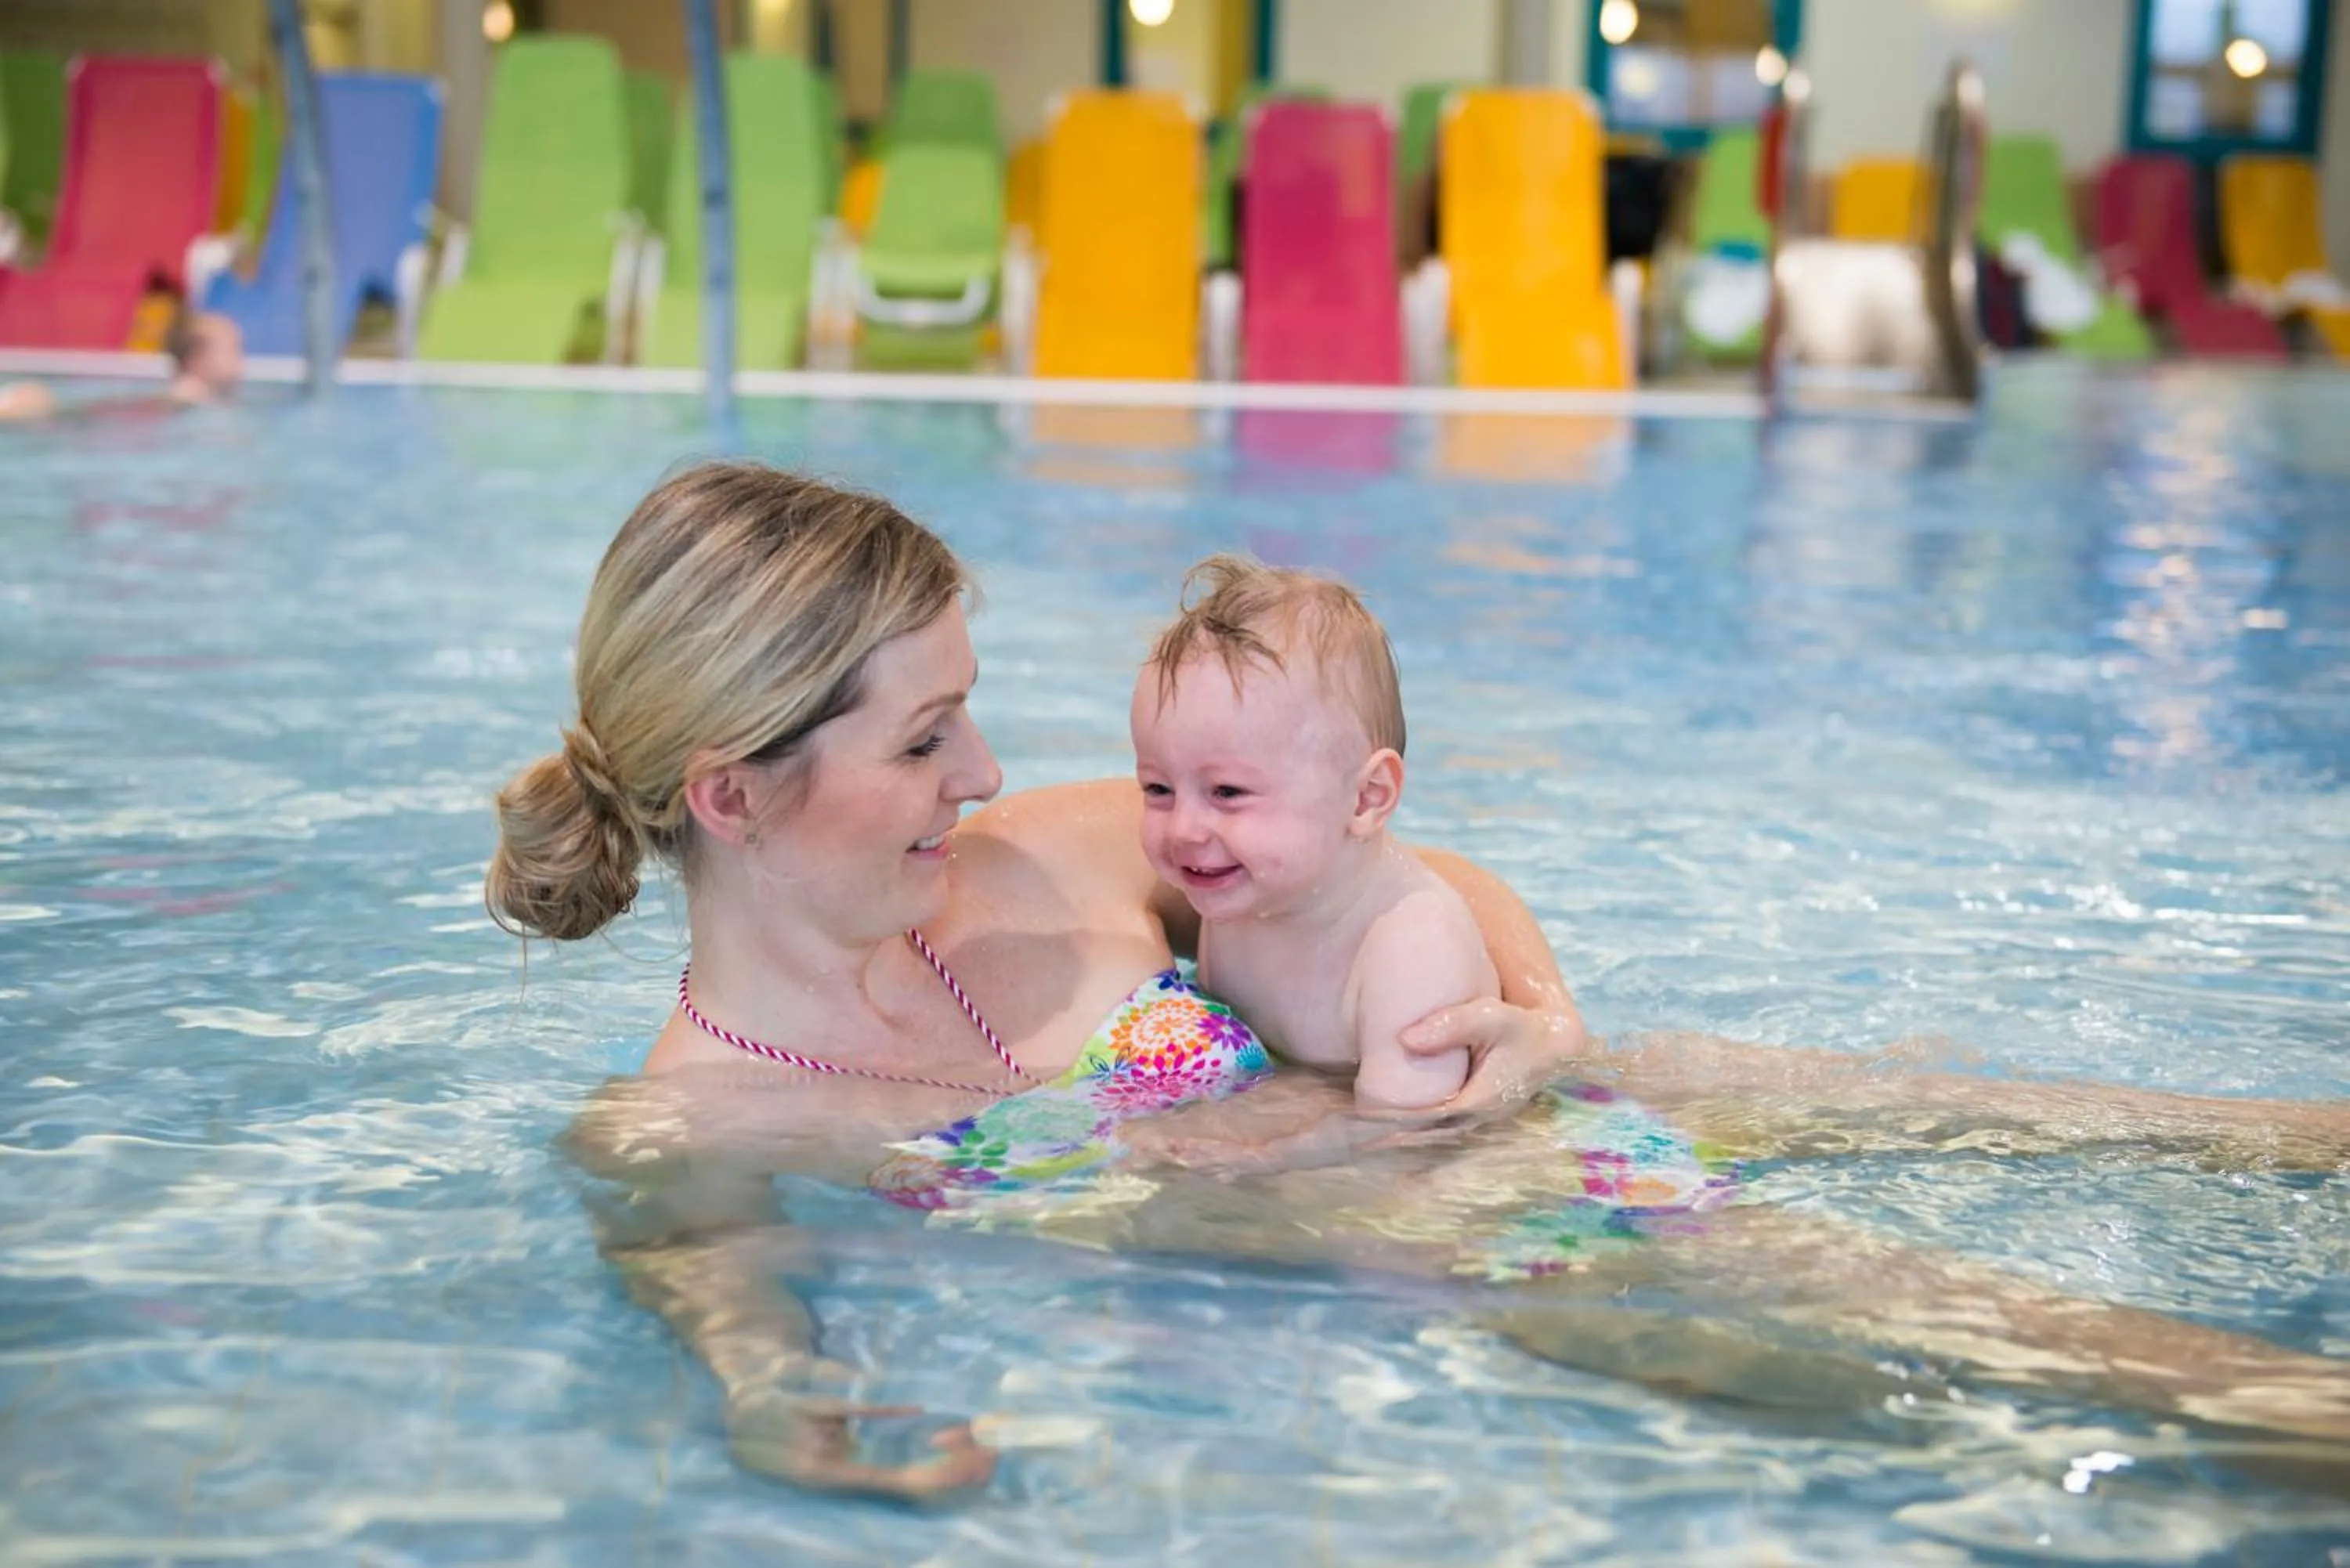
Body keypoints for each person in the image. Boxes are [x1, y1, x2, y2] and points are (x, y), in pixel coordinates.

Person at [509, 461, 2350, 1502]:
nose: (985, 770)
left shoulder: (1047, 854)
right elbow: (732, 1317)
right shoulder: (686, 1123)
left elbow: (1406, 860)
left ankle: (2283, 1135)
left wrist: (1528, 1015)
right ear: (732, 794)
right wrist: (783, 1414)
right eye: (926, 738)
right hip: (1488, 1251)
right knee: (1999, 1352)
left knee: (2014, 1107)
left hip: (1525, 1112)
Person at [1130, 555, 1494, 1117]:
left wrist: (1256, 1152)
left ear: (1367, 797)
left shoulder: (1412, 948)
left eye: (1227, 792)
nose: (1183, 828)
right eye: (1157, 788)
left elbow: (1406, 1146)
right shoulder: (1247, 888)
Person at [0, 308, 244, 422]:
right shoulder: (192, 398)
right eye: (233, 350)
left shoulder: (186, 398)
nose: (240, 361)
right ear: (197, 359)